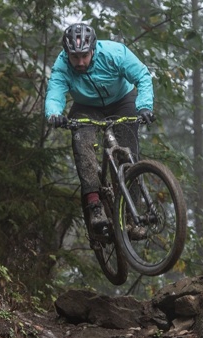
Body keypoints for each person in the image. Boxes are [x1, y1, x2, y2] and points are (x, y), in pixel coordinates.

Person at [45, 22, 155, 237]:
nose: (80, 62)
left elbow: (142, 75)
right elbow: (55, 91)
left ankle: (133, 216)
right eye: (74, 57)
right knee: (82, 141)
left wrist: (144, 107)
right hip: (86, 107)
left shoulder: (115, 53)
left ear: (93, 48)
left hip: (122, 100)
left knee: (128, 153)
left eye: (84, 55)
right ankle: (95, 204)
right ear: (67, 53)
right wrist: (54, 114)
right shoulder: (62, 65)